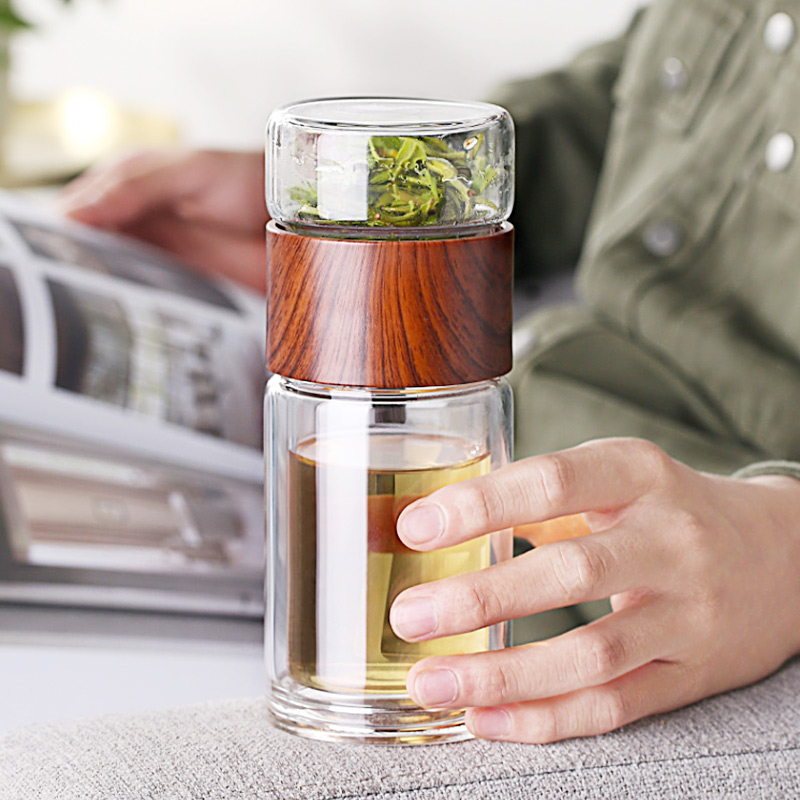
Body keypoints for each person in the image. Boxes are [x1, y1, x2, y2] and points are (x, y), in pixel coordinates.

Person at [59, 0, 800, 745]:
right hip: (510, 499)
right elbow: (622, 108)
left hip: (696, 599)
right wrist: (360, 199)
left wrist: (784, 550)